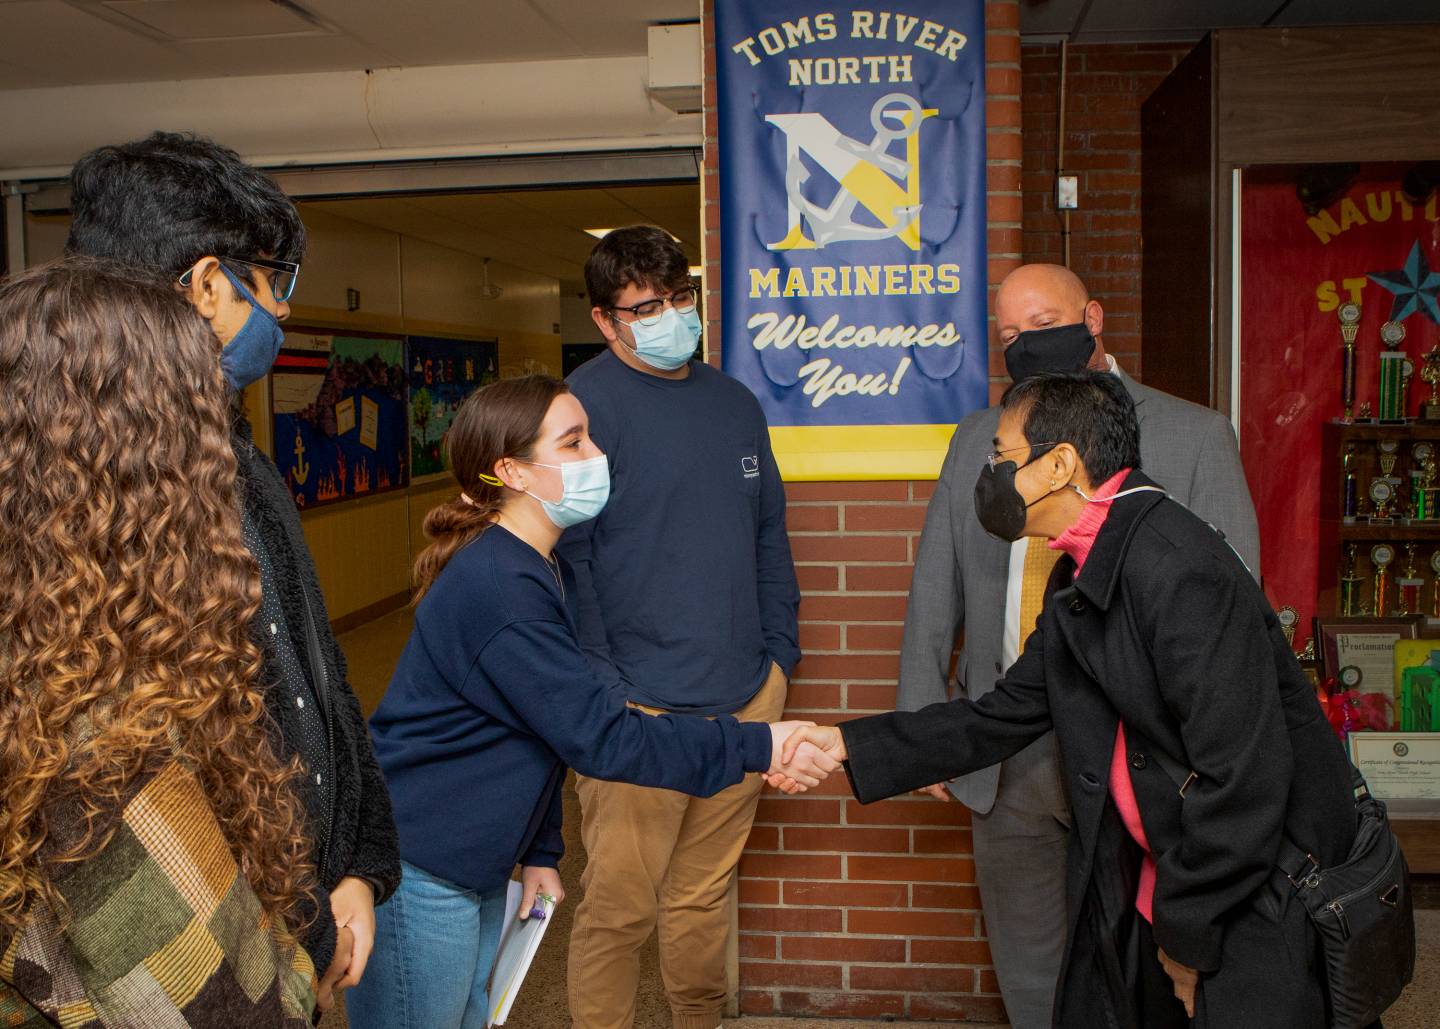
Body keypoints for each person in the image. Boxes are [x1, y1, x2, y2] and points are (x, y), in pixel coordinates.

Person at [783, 370, 1359, 1029]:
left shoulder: (1178, 566)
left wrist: (1189, 938)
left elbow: (1243, 781)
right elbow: (1003, 714)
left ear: (1059, 464)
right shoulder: (1081, 572)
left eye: (1001, 455)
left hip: (1247, 900)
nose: (990, 475)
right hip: (1162, 883)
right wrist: (846, 742)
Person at [348, 376, 831, 1029]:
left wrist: (542, 848)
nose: (595, 454)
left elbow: (538, 726)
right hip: (424, 869)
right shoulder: (501, 584)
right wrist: (761, 743)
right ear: (513, 471)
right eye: (573, 442)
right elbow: (601, 738)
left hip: (470, 864)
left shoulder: (531, 565)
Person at [64, 131, 400, 1011]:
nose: (282, 313)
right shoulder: (78, 495)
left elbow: (312, 680)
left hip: (300, 926)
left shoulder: (241, 464)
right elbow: (189, 771)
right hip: (213, 956)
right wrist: (301, 926)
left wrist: (355, 866)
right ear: (211, 283)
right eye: (273, 283)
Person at [894, 263, 1260, 1027]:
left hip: (1137, 753)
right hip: (1007, 752)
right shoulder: (976, 442)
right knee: (1030, 973)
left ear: (1092, 317)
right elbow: (938, 582)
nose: (1027, 342)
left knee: (1140, 970)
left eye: (1043, 322)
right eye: (1009, 334)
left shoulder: (1194, 435)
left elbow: (1238, 609)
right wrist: (926, 723)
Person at [0, 260, 319, 1025]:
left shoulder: (33, 671)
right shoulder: (102, 750)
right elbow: (243, 1009)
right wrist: (298, 967)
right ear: (153, 474)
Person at [557, 226, 801, 1029]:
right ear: (605, 319)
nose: (671, 318)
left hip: (742, 700)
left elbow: (768, 534)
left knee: (702, 896)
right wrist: (608, 692)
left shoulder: (734, 403)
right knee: (620, 911)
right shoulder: (581, 411)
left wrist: (779, 662)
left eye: (681, 299)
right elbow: (572, 561)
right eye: (647, 307)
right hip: (638, 715)